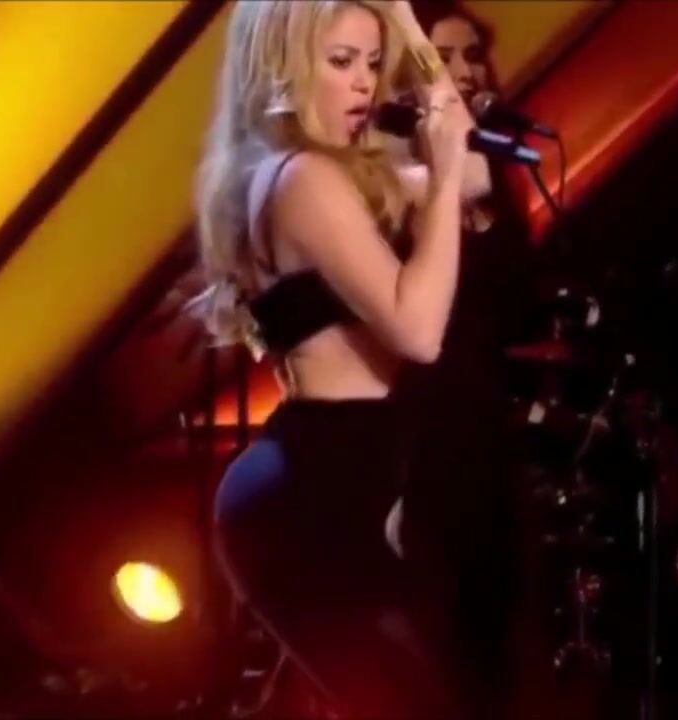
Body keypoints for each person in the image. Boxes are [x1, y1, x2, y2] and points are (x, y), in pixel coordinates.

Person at [190, 1, 489, 716]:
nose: (365, 83)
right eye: (342, 62)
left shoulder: (329, 176)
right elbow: (418, 330)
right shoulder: (300, 181)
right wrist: (443, 176)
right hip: (311, 491)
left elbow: (474, 167)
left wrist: (404, 21)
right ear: (285, 67)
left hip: (329, 479)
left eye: (373, 63)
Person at [391, 3, 541, 718]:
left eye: (472, 55)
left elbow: (518, 292)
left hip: (483, 406)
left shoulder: (494, 166)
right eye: (443, 56)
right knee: (434, 607)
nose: (464, 70)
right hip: (419, 414)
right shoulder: (390, 164)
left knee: (492, 607)